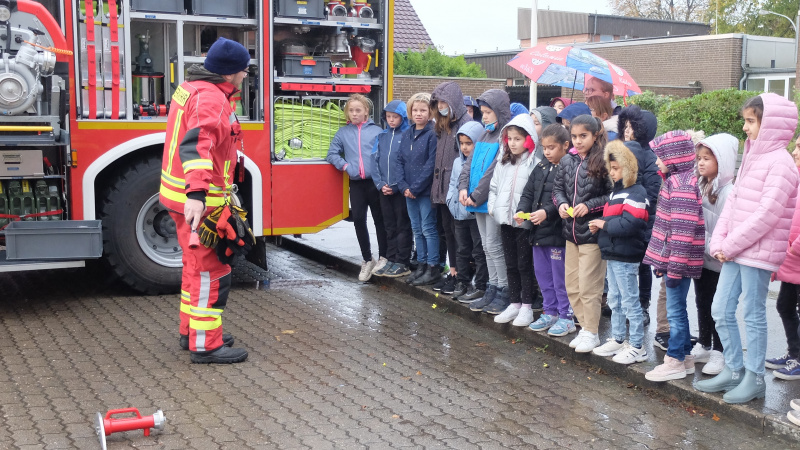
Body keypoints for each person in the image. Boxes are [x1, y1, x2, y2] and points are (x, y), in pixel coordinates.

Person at [697, 94, 799, 403]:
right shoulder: (754, 158)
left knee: (753, 313)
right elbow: (735, 205)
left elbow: (767, 215)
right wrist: (720, 243)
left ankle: (755, 378)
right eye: (745, 120)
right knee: (721, 309)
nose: (745, 127)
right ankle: (734, 368)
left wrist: (729, 244)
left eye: (751, 121)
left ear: (769, 124)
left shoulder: (781, 164)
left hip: (758, 252)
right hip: (736, 250)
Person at [160, 37, 250, 364]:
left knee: (193, 267)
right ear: (228, 73)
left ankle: (192, 332)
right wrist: (197, 195)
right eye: (242, 70)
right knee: (210, 271)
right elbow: (198, 146)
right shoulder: (211, 98)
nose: (244, 75)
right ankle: (206, 345)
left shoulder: (192, 88)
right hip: (203, 201)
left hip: (181, 195)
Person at [643, 130, 705, 382]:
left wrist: (674, 267)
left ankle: (676, 358)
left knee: (676, 310)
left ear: (673, 157)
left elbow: (681, 230)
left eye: (660, 156)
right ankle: (686, 356)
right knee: (677, 308)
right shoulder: (678, 180)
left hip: (678, 262)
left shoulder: (680, 185)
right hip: (673, 260)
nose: (656, 161)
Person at [553, 115, 612, 353]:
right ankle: (584, 328)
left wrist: (590, 206)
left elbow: (613, 195)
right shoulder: (568, 161)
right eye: (574, 136)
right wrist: (560, 204)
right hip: (570, 234)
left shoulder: (605, 160)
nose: (577, 141)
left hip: (592, 234)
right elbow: (557, 189)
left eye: (583, 136)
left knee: (590, 287)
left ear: (596, 135)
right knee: (573, 286)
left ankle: (592, 332)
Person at [588, 140, 649, 364]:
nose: (611, 173)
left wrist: (603, 224)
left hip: (626, 255)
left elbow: (630, 223)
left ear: (629, 167)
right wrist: (601, 223)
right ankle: (618, 338)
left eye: (616, 168)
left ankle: (637, 346)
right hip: (613, 254)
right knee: (615, 299)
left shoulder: (637, 193)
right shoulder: (617, 193)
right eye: (610, 168)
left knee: (630, 301)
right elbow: (615, 220)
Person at [457, 89, 511, 312]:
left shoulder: (504, 138)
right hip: (475, 200)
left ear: (499, 111)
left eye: (488, 112)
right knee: (487, 246)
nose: (484, 116)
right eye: (482, 112)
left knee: (494, 246)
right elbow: (468, 165)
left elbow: (492, 171)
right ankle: (492, 287)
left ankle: (503, 290)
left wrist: (475, 195)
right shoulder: (483, 134)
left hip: (489, 201)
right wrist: (462, 188)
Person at [690, 133, 738, 375]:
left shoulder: (728, 192)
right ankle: (704, 342)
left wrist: (704, 241)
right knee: (702, 301)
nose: (700, 163)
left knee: (718, 307)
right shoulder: (701, 184)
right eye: (699, 158)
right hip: (702, 258)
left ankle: (720, 351)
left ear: (723, 160)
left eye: (707, 158)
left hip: (718, 261)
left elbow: (725, 230)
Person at [327, 94, 387, 282]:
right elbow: (332, 154)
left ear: (366, 111)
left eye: (358, 110)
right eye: (351, 111)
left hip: (374, 183)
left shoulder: (377, 131)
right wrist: (346, 166)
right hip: (356, 184)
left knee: (379, 220)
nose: (354, 114)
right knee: (359, 219)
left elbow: (385, 155)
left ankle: (383, 257)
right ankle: (367, 259)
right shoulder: (343, 133)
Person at [522, 124, 574, 336]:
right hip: (538, 233)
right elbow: (528, 193)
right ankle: (549, 311)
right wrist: (521, 210)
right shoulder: (541, 167)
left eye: (552, 147)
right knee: (543, 275)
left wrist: (546, 212)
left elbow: (565, 197)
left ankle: (566, 317)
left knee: (560, 278)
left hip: (558, 234)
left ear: (565, 146)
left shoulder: (570, 167)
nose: (547, 152)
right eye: (544, 148)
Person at [489, 113, 540, 324]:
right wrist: (493, 208)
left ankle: (527, 306)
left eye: (518, 139)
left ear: (528, 139)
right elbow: (493, 188)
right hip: (505, 221)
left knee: (524, 264)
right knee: (510, 263)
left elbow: (535, 194)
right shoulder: (503, 163)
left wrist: (526, 215)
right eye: (510, 139)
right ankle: (514, 302)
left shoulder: (535, 164)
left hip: (523, 224)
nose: (513, 143)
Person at [617, 105, 661, 328]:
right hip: (620, 216)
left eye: (632, 126)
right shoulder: (618, 151)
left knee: (642, 265)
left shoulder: (650, 157)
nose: (627, 130)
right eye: (624, 125)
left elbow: (652, 192)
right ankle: (626, 302)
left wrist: (637, 208)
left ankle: (643, 304)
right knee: (622, 263)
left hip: (642, 219)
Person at [431, 82, 472, 294]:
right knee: (446, 231)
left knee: (458, 235)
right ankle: (453, 270)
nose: (441, 106)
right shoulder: (441, 124)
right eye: (438, 103)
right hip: (441, 187)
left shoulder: (465, 123)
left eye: (444, 102)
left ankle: (460, 275)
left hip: (455, 188)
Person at [395, 93, 440, 286]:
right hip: (408, 192)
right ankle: (420, 265)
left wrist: (415, 187)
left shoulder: (432, 134)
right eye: (415, 110)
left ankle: (433, 267)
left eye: (423, 110)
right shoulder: (407, 133)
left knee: (428, 228)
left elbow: (431, 164)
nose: (419, 113)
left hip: (424, 191)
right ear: (410, 112)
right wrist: (404, 186)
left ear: (430, 112)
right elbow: (399, 161)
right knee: (416, 229)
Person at [768, 135, 800, 381]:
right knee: (784, 305)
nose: (795, 152)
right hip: (791, 260)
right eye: (796, 146)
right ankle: (794, 353)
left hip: (796, 256)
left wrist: (794, 248)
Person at [371, 100, 413, 278]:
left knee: (402, 225)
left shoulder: (407, 135)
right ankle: (391, 258)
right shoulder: (381, 136)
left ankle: (402, 261)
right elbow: (374, 160)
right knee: (389, 225)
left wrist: (396, 186)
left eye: (395, 117)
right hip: (383, 189)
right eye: (388, 117)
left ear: (402, 117)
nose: (391, 120)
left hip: (400, 190)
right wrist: (380, 184)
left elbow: (407, 163)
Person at [449, 121, 489, 302]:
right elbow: (453, 185)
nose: (465, 147)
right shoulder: (457, 162)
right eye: (462, 143)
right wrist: (452, 202)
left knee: (479, 251)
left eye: (469, 143)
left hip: (474, 213)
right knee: (462, 249)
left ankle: (481, 283)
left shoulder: (480, 162)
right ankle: (462, 281)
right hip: (459, 213)